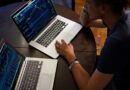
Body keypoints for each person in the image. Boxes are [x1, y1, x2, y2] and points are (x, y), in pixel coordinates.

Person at [55, 0, 130, 90]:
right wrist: (87, 10)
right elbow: (85, 23)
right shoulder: (123, 14)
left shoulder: (116, 41)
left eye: (88, 2)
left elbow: (89, 88)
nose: (84, 5)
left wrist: (70, 56)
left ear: (103, 8)